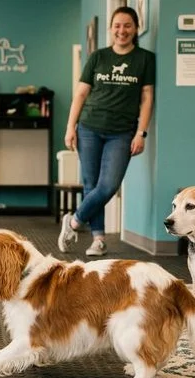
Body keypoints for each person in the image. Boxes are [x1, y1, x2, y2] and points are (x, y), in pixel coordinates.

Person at [58, 6, 155, 256]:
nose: (122, 30)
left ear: (135, 29)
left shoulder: (144, 59)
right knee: (91, 186)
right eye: (117, 26)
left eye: (127, 25)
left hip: (122, 132)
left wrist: (141, 133)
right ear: (111, 29)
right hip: (89, 127)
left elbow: (147, 98)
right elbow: (80, 94)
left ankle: (74, 222)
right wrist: (71, 127)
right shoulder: (98, 57)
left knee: (108, 185)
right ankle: (98, 240)